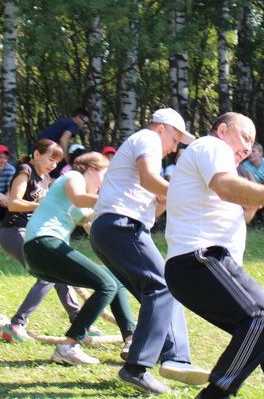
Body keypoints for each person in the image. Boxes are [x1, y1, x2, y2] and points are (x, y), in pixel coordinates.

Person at [164, 112, 264, 399]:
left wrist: (254, 201)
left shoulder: (219, 164)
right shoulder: (212, 147)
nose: (247, 147)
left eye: (252, 143)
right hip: (199, 260)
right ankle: (215, 394)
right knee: (262, 319)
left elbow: (233, 210)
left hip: (209, 264)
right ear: (222, 130)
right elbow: (226, 187)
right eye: (245, 137)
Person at [90, 107, 208, 395]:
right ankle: (136, 367)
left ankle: (177, 358)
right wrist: (182, 191)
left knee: (163, 289)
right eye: (175, 140)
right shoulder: (147, 139)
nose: (173, 148)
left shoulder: (145, 147)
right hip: (120, 226)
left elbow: (153, 207)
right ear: (162, 129)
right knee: (163, 286)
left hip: (115, 229)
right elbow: (147, 177)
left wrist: (166, 197)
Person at [22, 152, 137, 366]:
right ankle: (68, 345)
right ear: (92, 169)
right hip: (43, 243)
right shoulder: (73, 177)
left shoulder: (78, 201)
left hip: (41, 251)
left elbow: (92, 226)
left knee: (114, 280)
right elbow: (80, 199)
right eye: (105, 175)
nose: (106, 183)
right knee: (106, 285)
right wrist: (115, 200)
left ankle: (132, 339)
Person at [0, 140, 91, 343]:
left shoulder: (45, 178)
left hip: (32, 232)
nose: (53, 165)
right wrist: (38, 205)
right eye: (50, 158)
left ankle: (80, 321)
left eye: (56, 161)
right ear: (36, 154)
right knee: (48, 274)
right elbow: (13, 204)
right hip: (15, 231)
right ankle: (16, 325)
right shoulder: (26, 170)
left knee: (59, 274)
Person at [37, 108, 90, 177]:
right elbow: (63, 139)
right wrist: (64, 157)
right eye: (85, 122)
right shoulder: (73, 125)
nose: (85, 125)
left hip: (39, 148)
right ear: (78, 117)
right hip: (45, 150)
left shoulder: (64, 121)